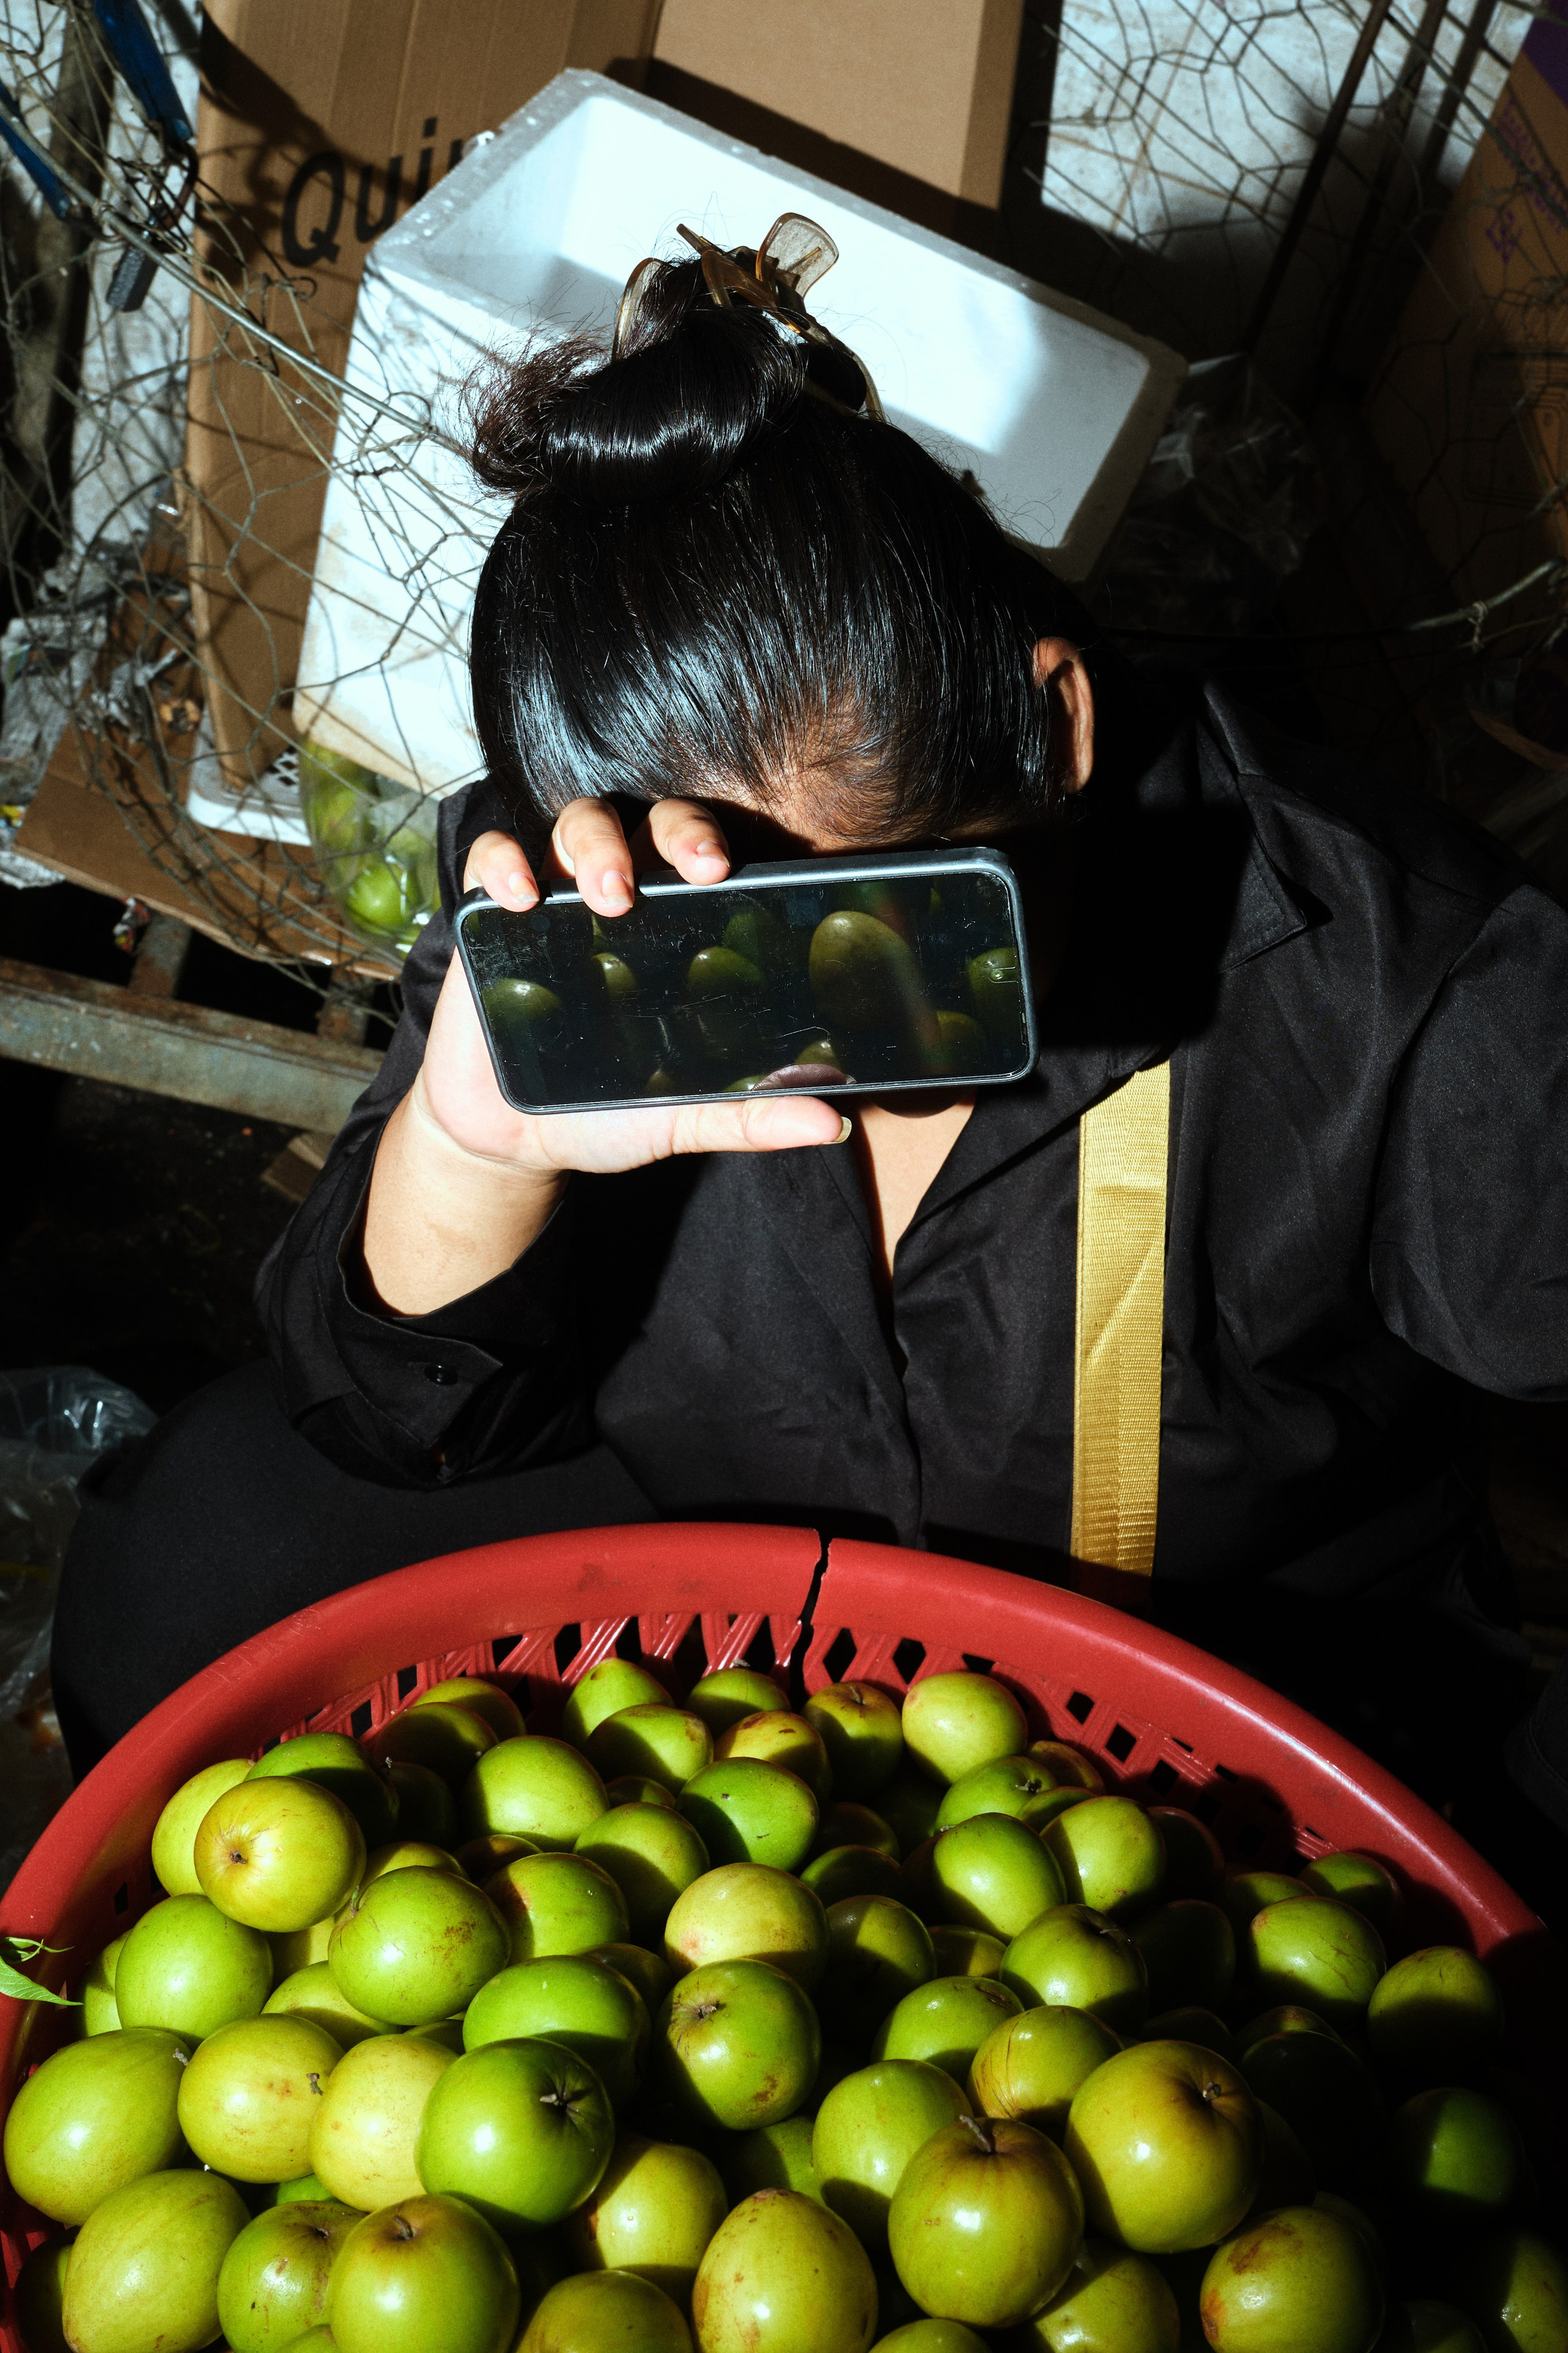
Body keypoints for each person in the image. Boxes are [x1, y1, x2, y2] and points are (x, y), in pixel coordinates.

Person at [53, 230, 1568, 1914]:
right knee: (187, 1555)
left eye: (889, 938)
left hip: (1237, 1662)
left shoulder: (1391, 971)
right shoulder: (569, 893)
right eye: (723, 952)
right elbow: (392, 1407)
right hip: (733, 1556)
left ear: (1052, 729)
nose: (812, 1031)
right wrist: (469, 1147)